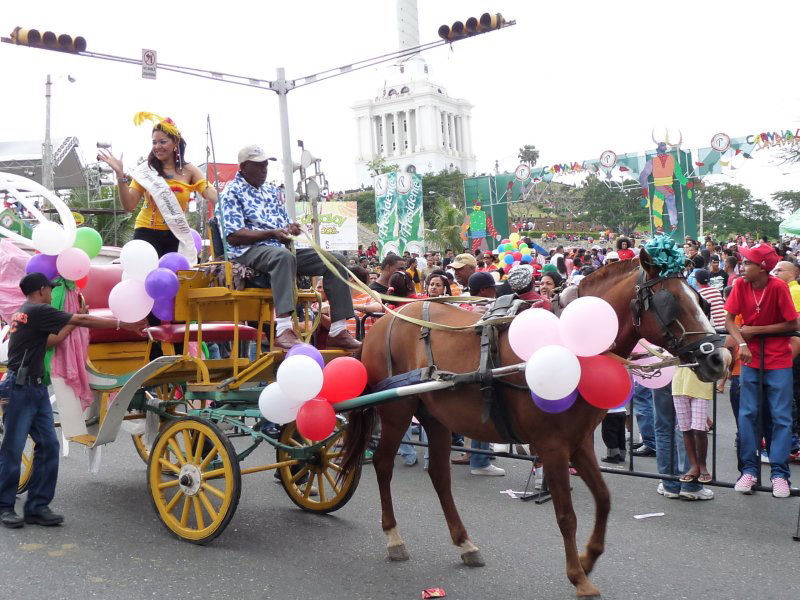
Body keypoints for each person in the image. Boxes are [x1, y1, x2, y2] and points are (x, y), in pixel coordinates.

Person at [0, 274, 146, 528]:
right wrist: (123, 323)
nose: (51, 294)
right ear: (41, 290)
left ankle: (37, 506)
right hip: (20, 389)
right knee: (13, 449)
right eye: (50, 290)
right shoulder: (37, 309)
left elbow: (52, 341)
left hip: (33, 389)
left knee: (49, 446)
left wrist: (75, 321)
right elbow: (83, 319)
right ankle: (4, 507)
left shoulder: (25, 312)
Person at [218, 145, 360, 351]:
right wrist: (272, 233)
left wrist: (290, 228)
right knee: (282, 257)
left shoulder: (272, 191)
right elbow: (233, 235)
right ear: (244, 167)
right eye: (259, 166)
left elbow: (283, 225)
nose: (264, 170)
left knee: (335, 259)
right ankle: (283, 330)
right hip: (248, 251)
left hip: (279, 248)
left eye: (266, 165)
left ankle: (338, 330)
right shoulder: (231, 192)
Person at [725, 243, 798, 498]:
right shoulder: (740, 285)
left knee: (780, 417)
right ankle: (749, 470)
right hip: (750, 360)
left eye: (748, 263)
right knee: (747, 415)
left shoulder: (778, 287)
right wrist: (743, 342)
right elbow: (728, 320)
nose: (743, 267)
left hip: (778, 360)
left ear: (763, 267)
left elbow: (792, 322)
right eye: (744, 262)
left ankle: (780, 474)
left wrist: (755, 331)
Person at [98, 112, 217, 259]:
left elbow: (210, 193)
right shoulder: (146, 170)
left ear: (175, 143)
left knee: (172, 280)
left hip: (175, 234)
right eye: (154, 142)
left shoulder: (190, 170)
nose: (157, 146)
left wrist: (226, 199)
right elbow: (129, 205)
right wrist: (120, 175)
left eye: (163, 142)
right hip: (146, 233)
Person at [672, 364, 714, 484]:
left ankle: (702, 465)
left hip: (701, 384)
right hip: (679, 384)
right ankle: (694, 465)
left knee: (699, 429)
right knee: (686, 429)